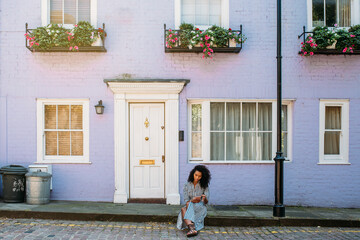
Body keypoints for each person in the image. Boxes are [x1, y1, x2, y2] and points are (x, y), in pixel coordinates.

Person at [177, 165, 211, 237]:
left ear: (202, 177)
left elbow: (206, 202)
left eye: (199, 176)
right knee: (186, 206)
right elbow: (186, 200)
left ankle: (191, 229)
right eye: (196, 175)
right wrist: (192, 200)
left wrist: (204, 198)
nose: (197, 178)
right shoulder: (186, 185)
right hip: (190, 205)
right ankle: (192, 229)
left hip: (200, 207)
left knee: (184, 209)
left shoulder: (204, 185)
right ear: (192, 174)